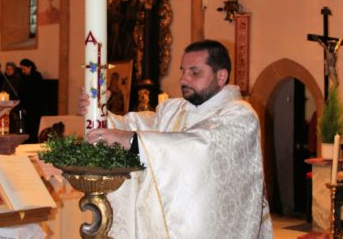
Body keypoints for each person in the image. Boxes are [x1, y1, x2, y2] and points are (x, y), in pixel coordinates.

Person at [80, 40, 273, 238]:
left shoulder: (240, 115)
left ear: (221, 76)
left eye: (194, 72)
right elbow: (136, 126)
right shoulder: (173, 109)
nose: (184, 79)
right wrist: (100, 113)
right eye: (183, 71)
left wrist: (132, 141)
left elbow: (203, 147)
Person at [19, 58, 44, 143]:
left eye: (24, 69)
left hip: (35, 108)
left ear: (30, 67)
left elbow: (38, 94)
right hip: (26, 108)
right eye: (21, 69)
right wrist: (23, 107)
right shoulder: (23, 78)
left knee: (34, 128)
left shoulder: (37, 77)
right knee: (27, 128)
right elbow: (22, 93)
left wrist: (29, 107)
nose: (23, 71)